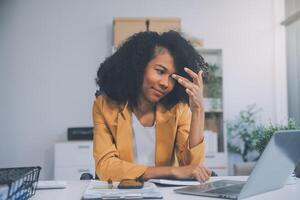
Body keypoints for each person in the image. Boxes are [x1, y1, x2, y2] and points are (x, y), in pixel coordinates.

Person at [93, 30, 211, 182]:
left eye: (173, 78)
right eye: (160, 71)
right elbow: (106, 168)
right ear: (139, 66)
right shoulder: (104, 106)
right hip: (122, 192)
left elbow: (193, 168)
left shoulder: (178, 109)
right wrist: (172, 171)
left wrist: (198, 110)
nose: (165, 83)